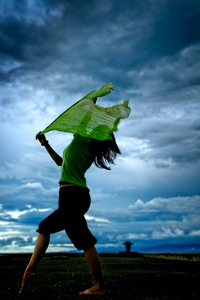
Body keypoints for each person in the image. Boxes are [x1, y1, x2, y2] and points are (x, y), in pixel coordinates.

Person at [19, 97, 121, 296]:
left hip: (73, 195)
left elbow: (84, 117)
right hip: (74, 195)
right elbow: (60, 162)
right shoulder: (87, 147)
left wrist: (91, 103)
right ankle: (98, 285)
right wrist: (45, 144)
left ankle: (30, 269)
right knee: (81, 238)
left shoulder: (82, 138)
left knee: (47, 227)